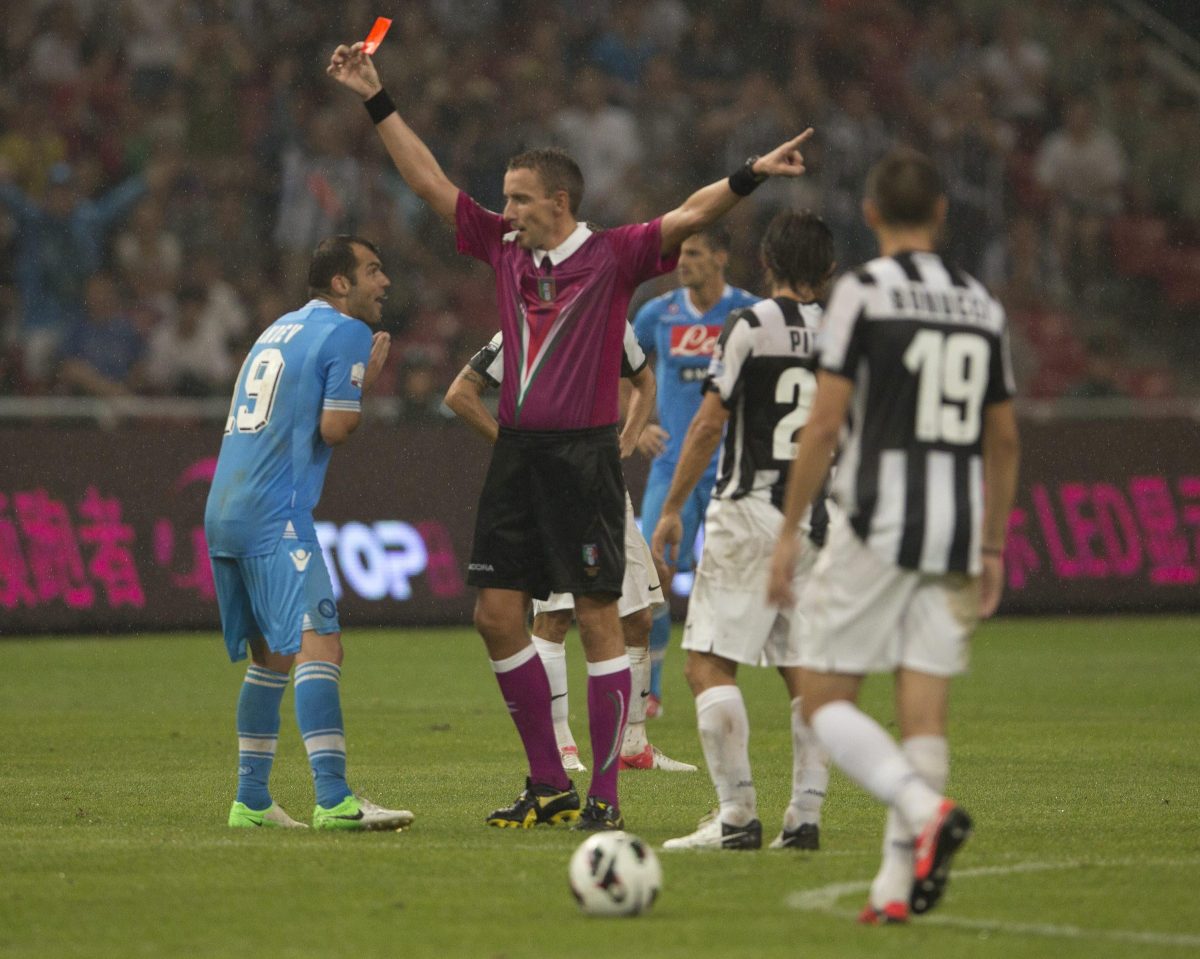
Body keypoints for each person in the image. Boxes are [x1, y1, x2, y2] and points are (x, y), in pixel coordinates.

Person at [328, 39, 813, 831]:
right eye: (506, 199)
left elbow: (692, 213)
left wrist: (750, 172)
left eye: (519, 199)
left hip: (585, 458)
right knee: (495, 615)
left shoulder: (615, 255)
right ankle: (548, 780)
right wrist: (374, 97)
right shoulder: (502, 250)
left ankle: (605, 797)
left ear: (559, 201)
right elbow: (427, 181)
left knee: (596, 620)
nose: (506, 210)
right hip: (519, 453)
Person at [766, 149, 1020, 922]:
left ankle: (922, 808)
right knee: (922, 711)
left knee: (819, 699)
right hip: (953, 530)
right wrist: (994, 545)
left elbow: (826, 422)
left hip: (876, 519)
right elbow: (1003, 440)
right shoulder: (981, 303)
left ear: (871, 214)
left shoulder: (863, 295)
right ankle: (894, 890)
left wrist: (786, 535)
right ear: (941, 214)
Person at [205, 235, 414, 831]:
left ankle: (251, 799)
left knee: (272, 654)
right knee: (321, 642)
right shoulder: (345, 332)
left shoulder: (277, 328)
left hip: (226, 506)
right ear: (341, 284)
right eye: (373, 270)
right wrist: (363, 386)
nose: (385, 282)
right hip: (276, 513)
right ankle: (334, 799)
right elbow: (336, 427)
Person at [651, 210, 835, 851]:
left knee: (706, 665)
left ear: (766, 264)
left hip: (747, 513)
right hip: (814, 520)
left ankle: (735, 816)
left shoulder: (750, 324)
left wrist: (672, 505)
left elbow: (706, 426)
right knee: (803, 669)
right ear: (829, 272)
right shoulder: (842, 333)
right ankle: (805, 817)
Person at [445, 327, 698, 775]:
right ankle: (563, 747)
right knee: (554, 618)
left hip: (604, 484)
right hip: (550, 486)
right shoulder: (521, 330)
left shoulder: (612, 324)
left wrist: (628, 436)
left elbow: (644, 382)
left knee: (639, 617)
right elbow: (460, 394)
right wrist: (512, 447)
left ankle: (633, 745)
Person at [632, 225, 758, 718]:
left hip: (735, 467)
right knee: (653, 576)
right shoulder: (657, 313)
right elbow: (620, 367)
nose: (682, 262)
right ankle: (652, 691)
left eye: (694, 253)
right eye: (679, 253)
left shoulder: (748, 312)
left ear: (720, 258)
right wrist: (637, 425)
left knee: (736, 584)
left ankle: (722, 683)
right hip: (672, 466)